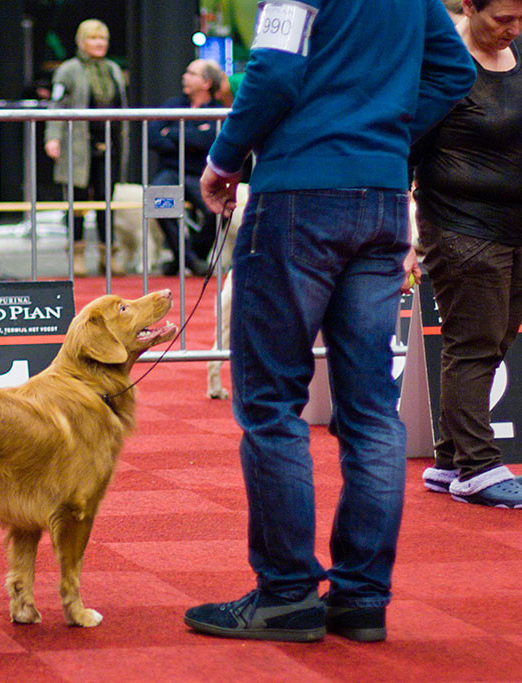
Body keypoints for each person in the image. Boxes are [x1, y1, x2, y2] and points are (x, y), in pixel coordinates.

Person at [185, 0, 475, 643]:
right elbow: (454, 70)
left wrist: (223, 160)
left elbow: (274, 74)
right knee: (371, 410)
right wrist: (390, 136)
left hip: (298, 197)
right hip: (381, 201)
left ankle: (287, 593)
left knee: (270, 402)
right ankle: (361, 599)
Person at [412, 0, 522, 507]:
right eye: (502, 18)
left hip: (512, 227)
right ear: (470, 6)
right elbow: (406, 146)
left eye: (521, 19)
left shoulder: (517, 50)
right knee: (474, 342)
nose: (513, 29)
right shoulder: (441, 63)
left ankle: (452, 458)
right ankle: (478, 466)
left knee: (495, 338)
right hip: (459, 225)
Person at [44, 18, 128, 277]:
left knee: (107, 201)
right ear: (81, 42)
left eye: (102, 38)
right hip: (78, 144)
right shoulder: (68, 70)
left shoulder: (113, 69)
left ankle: (107, 255)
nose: (99, 43)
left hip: (109, 143)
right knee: (77, 202)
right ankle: (77, 256)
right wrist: (53, 138)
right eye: (93, 38)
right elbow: (56, 106)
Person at [149, 58, 227, 277]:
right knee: (158, 198)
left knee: (219, 209)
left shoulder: (217, 111)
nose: (185, 77)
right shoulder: (173, 105)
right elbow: (153, 136)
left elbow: (209, 141)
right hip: (171, 172)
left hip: (201, 174)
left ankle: (188, 257)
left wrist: (172, 133)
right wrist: (192, 137)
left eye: (191, 73)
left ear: (206, 83)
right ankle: (190, 259)